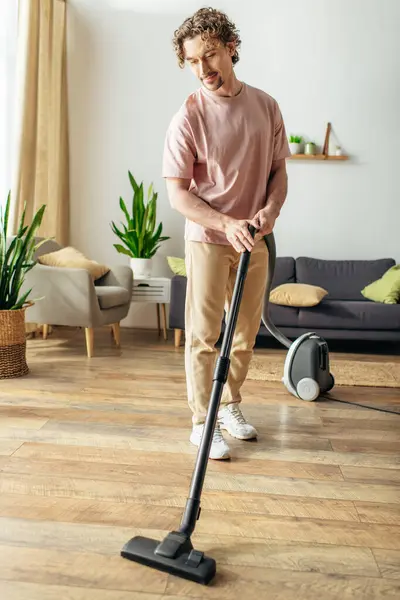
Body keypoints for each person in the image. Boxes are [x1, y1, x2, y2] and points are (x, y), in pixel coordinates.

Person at [162, 7, 290, 460]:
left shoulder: (266, 106)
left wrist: (270, 210)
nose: (203, 70)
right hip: (209, 240)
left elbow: (278, 172)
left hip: (254, 238)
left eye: (210, 56)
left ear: (231, 48)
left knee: (245, 332)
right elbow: (179, 194)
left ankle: (228, 403)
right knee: (203, 334)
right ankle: (202, 420)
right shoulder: (189, 117)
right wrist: (226, 223)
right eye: (193, 61)